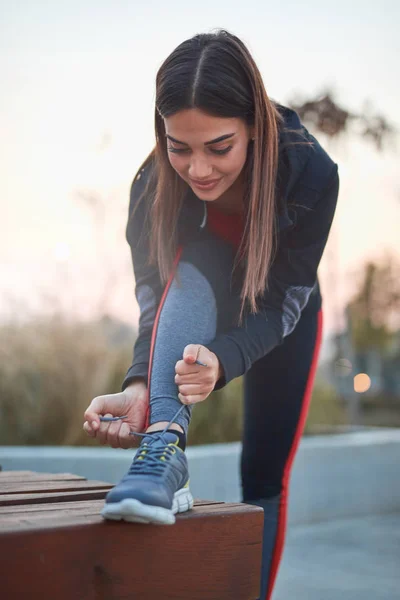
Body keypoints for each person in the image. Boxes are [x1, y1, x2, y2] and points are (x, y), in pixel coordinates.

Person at [83, 29, 339, 600]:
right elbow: (155, 304)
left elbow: (283, 304)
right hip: (196, 298)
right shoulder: (151, 190)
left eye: (218, 147)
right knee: (195, 258)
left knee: (263, 478)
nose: (197, 169)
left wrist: (225, 358)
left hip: (281, 320)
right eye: (180, 146)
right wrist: (139, 384)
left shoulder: (312, 173)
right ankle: (164, 452)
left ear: (253, 125)